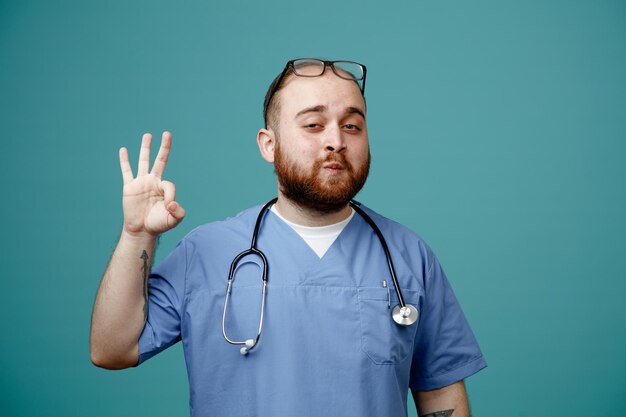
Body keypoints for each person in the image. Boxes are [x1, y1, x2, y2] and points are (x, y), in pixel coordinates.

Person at [90, 58, 487, 417]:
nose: (336, 140)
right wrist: (136, 234)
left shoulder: (409, 256)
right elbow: (112, 350)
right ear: (269, 144)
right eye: (313, 124)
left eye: (352, 125)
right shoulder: (207, 252)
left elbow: (441, 395)